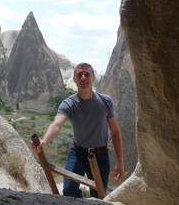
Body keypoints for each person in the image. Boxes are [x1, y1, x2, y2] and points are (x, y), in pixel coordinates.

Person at [31, 62, 124, 198]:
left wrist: (120, 161)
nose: (83, 78)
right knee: (69, 190)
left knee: (99, 196)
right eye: (79, 75)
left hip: (100, 155)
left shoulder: (106, 101)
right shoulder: (69, 103)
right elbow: (57, 125)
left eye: (87, 74)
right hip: (78, 153)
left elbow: (115, 130)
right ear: (74, 79)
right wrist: (44, 141)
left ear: (94, 77)